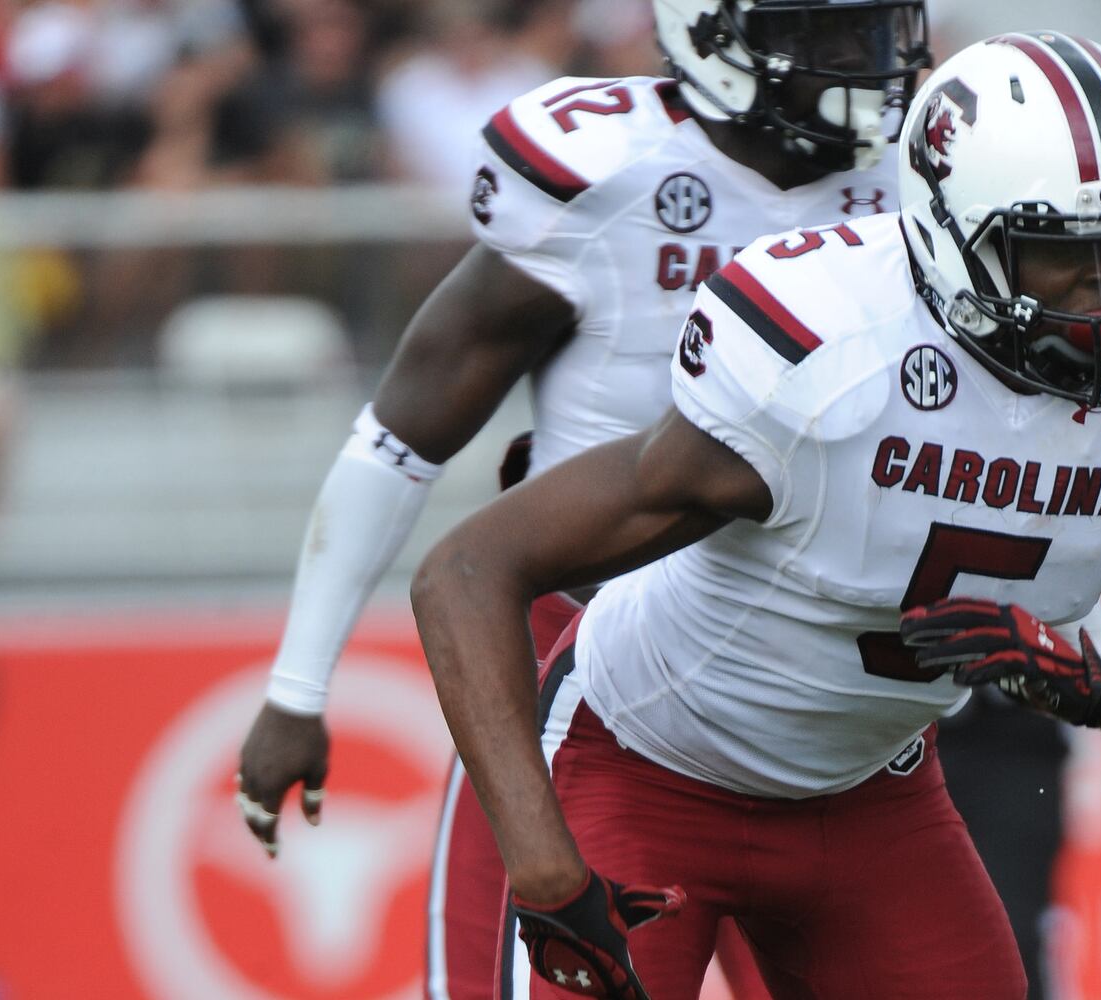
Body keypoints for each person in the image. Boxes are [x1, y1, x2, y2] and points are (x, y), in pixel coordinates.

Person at [413, 33, 1101, 1000]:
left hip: (873, 798)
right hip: (644, 762)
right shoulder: (827, 350)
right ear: (952, 237)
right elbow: (467, 569)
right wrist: (542, 866)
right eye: (1063, 255)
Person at [234, 1, 931, 997]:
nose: (862, 62)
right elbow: (400, 438)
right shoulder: (606, 173)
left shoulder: (913, 184)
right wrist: (297, 685)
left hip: (811, 675)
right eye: (819, 32)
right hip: (589, 669)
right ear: (711, 31)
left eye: (872, 27)